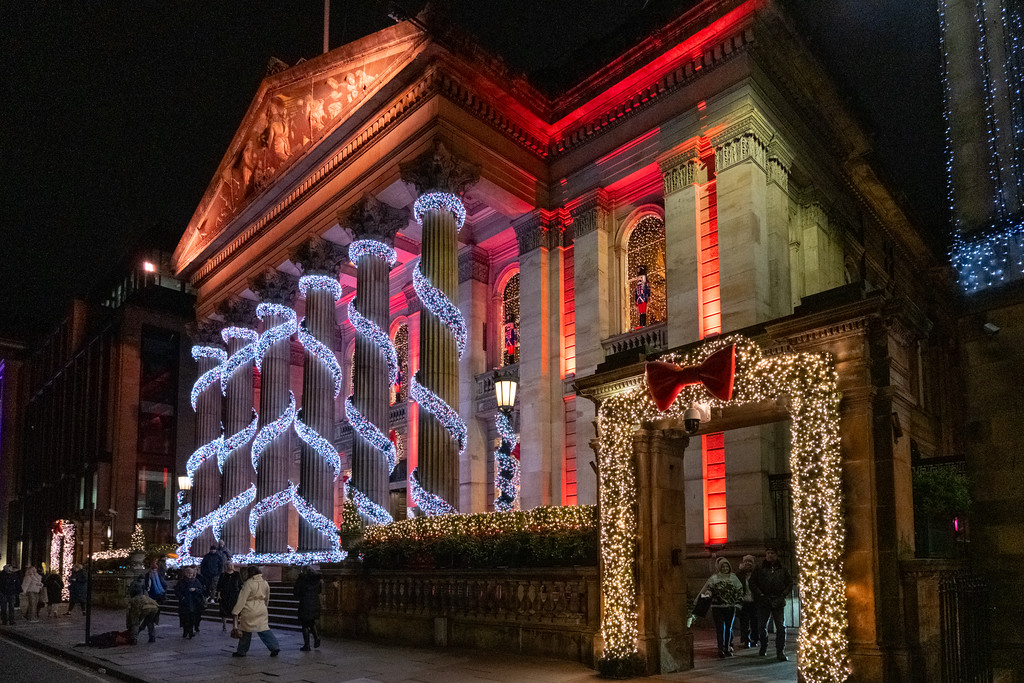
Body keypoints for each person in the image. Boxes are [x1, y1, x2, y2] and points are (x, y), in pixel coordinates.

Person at [751, 545, 794, 662]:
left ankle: (780, 650)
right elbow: (753, 582)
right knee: (762, 626)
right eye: (768, 553)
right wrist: (760, 594)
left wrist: (783, 594)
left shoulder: (782, 568)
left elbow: (790, 583)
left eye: (772, 553)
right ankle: (763, 645)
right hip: (764, 601)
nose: (770, 555)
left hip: (778, 600)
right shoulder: (759, 568)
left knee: (781, 627)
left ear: (776, 555)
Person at [697, 557, 743, 658]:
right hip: (717, 607)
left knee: (728, 628)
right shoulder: (714, 578)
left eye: (727, 566)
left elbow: (739, 591)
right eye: (723, 566)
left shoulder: (733, 578)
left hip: (730, 607)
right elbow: (710, 589)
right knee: (720, 628)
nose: (725, 568)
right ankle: (720, 649)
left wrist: (738, 603)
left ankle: (727, 647)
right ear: (719, 567)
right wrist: (708, 594)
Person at [231, 566, 280, 657]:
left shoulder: (248, 584)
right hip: (261, 608)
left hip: (249, 610)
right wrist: (265, 607)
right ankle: (274, 647)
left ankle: (242, 651)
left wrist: (235, 611)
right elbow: (267, 597)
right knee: (264, 629)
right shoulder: (265, 583)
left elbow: (242, 599)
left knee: (246, 631)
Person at [293, 564, 322, 651]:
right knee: (311, 622)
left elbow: (296, 592)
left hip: (305, 603)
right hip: (315, 603)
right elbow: (320, 591)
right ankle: (316, 637)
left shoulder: (302, 579)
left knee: (304, 624)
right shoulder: (317, 579)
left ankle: (307, 645)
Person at [735, 554, 758, 649]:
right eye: (746, 561)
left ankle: (754, 639)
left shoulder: (756, 574)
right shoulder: (739, 575)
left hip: (754, 601)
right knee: (744, 623)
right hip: (744, 602)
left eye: (750, 561)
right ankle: (746, 640)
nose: (748, 563)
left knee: (755, 622)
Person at [125, 579, 160, 644]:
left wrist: (129, 625)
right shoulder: (144, 597)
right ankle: (152, 637)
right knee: (150, 622)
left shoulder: (133, 600)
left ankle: (134, 639)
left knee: (135, 622)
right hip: (155, 607)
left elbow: (131, 616)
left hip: (144, 607)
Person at [175, 566, 206, 639]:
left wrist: (195, 590)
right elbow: (177, 591)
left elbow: (201, 590)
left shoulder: (196, 581)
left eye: (191, 573)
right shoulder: (181, 582)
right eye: (188, 573)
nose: (190, 574)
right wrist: (182, 597)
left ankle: (191, 631)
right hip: (185, 603)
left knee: (192, 618)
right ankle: (186, 631)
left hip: (194, 602)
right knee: (185, 617)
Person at [216, 562, 243, 632]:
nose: (230, 566)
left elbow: (240, 584)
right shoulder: (223, 575)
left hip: (234, 594)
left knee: (235, 610)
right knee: (224, 610)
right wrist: (219, 594)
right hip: (225, 594)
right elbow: (219, 585)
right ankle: (224, 625)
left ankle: (235, 625)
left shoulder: (237, 574)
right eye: (228, 565)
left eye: (231, 565)